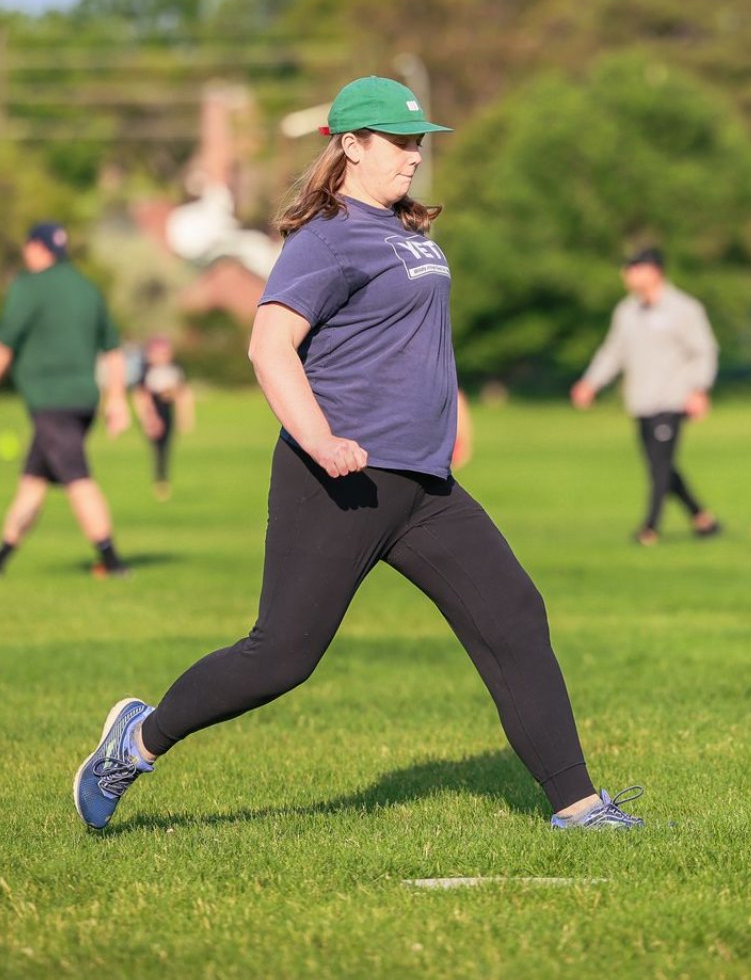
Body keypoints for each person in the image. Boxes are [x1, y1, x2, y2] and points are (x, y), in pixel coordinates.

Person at [71, 76, 643, 832]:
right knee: (282, 657)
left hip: (421, 481)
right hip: (338, 478)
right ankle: (135, 744)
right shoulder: (328, 236)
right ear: (349, 145)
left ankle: (579, 808)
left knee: (514, 614)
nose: (414, 156)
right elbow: (269, 345)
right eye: (401, 142)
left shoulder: (407, 231)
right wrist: (318, 438)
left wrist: (453, 408)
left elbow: (419, 338)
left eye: (419, 142)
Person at [0, 222, 132, 579]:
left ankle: (112, 561)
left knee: (77, 479)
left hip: (51, 404)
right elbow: (113, 349)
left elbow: (2, 342)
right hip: (83, 403)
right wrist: (116, 399)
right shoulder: (87, 289)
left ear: (37, 249)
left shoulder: (30, 286)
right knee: (33, 482)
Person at [571, 248, 722, 546]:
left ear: (653, 271)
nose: (627, 275)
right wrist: (590, 382)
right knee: (662, 466)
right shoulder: (627, 311)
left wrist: (698, 389)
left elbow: (704, 351)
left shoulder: (684, 309)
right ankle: (702, 518)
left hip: (673, 399)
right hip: (641, 401)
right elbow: (613, 352)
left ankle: (649, 529)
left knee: (659, 467)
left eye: (633, 269)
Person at [130, 336, 196, 501]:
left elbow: (182, 393)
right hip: (153, 413)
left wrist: (185, 416)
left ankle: (162, 480)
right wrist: (148, 418)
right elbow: (140, 395)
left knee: (166, 447)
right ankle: (160, 480)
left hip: (168, 412)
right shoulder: (146, 371)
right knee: (157, 447)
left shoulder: (175, 370)